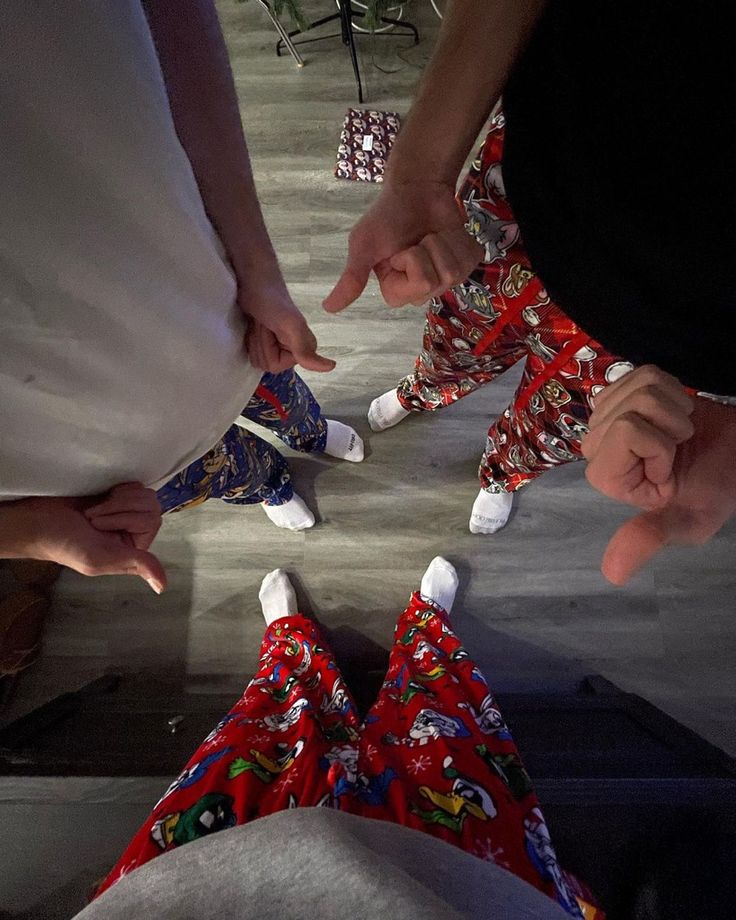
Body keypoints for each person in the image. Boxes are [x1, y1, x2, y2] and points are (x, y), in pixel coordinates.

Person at [324, 0, 736, 582]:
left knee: (548, 433)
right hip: (524, 205)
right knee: (453, 344)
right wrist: (420, 173)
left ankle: (500, 473)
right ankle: (423, 393)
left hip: (666, 357)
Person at [0, 1, 361, 595]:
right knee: (232, 474)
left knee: (284, 392)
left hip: (200, 315)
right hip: (93, 481)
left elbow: (172, 19)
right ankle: (271, 482)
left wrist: (258, 268)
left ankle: (311, 433)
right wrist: (25, 531)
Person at [78, 559, 601, 920]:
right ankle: (425, 635)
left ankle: (289, 648)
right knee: (444, 731)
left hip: (202, 884)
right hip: (457, 882)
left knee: (273, 730)